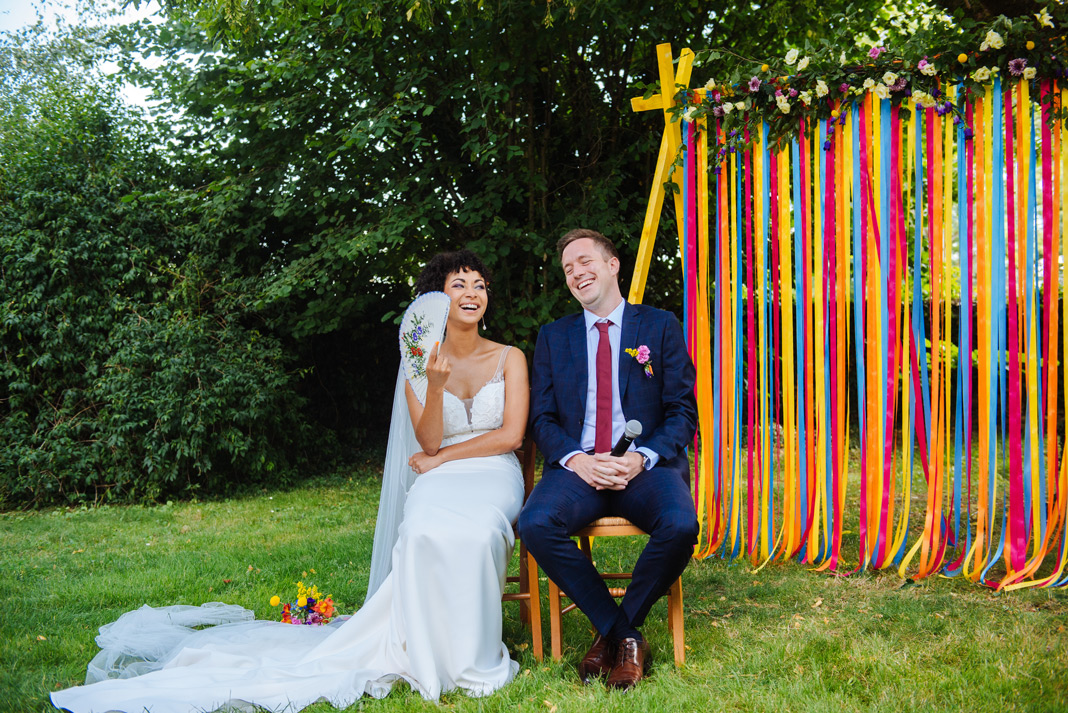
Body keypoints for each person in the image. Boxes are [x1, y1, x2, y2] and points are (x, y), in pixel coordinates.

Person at [51, 250, 530, 712]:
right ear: (438, 300)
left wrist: (442, 458)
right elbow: (428, 443)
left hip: (492, 472)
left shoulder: (509, 357)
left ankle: (472, 658)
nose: (472, 292)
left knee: (478, 533)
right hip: (438, 475)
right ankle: (429, 653)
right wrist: (437, 387)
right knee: (423, 531)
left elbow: (510, 436)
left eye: (479, 285)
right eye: (459, 284)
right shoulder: (420, 365)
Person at [517, 229, 698, 690]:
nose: (576, 273)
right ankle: (627, 636)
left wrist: (642, 457)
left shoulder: (660, 325)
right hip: (579, 469)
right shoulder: (554, 336)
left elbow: (683, 412)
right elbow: (542, 417)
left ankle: (611, 634)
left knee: (680, 525)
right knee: (535, 523)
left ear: (613, 264)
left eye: (585, 261)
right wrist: (576, 459)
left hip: (644, 469)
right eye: (568, 269)